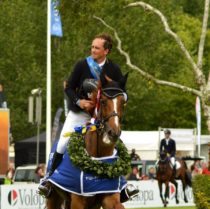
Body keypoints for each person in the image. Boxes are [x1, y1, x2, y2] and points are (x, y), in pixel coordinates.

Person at [39, 33, 139, 200]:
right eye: (92, 47)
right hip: (79, 113)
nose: (93, 50)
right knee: (62, 144)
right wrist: (80, 102)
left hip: (102, 117)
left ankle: (123, 186)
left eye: (97, 48)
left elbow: (123, 92)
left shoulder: (113, 69)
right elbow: (69, 88)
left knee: (116, 145)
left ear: (106, 51)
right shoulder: (82, 65)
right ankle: (47, 181)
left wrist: (120, 100)